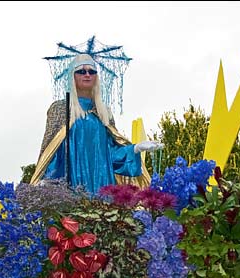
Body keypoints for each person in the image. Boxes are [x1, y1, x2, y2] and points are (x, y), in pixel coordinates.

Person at [30, 53, 162, 194]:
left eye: (92, 71)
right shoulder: (60, 109)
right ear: (73, 76)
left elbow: (111, 154)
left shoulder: (103, 112)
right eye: (81, 71)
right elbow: (53, 152)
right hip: (72, 187)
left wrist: (135, 149)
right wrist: (48, 180)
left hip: (102, 186)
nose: (87, 75)